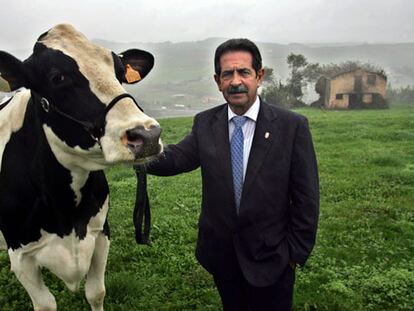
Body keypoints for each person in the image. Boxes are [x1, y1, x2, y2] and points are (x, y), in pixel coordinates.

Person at [146, 38, 319, 311]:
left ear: (259, 76)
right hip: (223, 257)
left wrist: (294, 253)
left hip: (273, 258)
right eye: (227, 74)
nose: (235, 81)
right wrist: (133, 150)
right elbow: (177, 158)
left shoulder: (291, 126)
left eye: (244, 72)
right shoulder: (206, 123)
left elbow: (306, 197)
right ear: (218, 81)